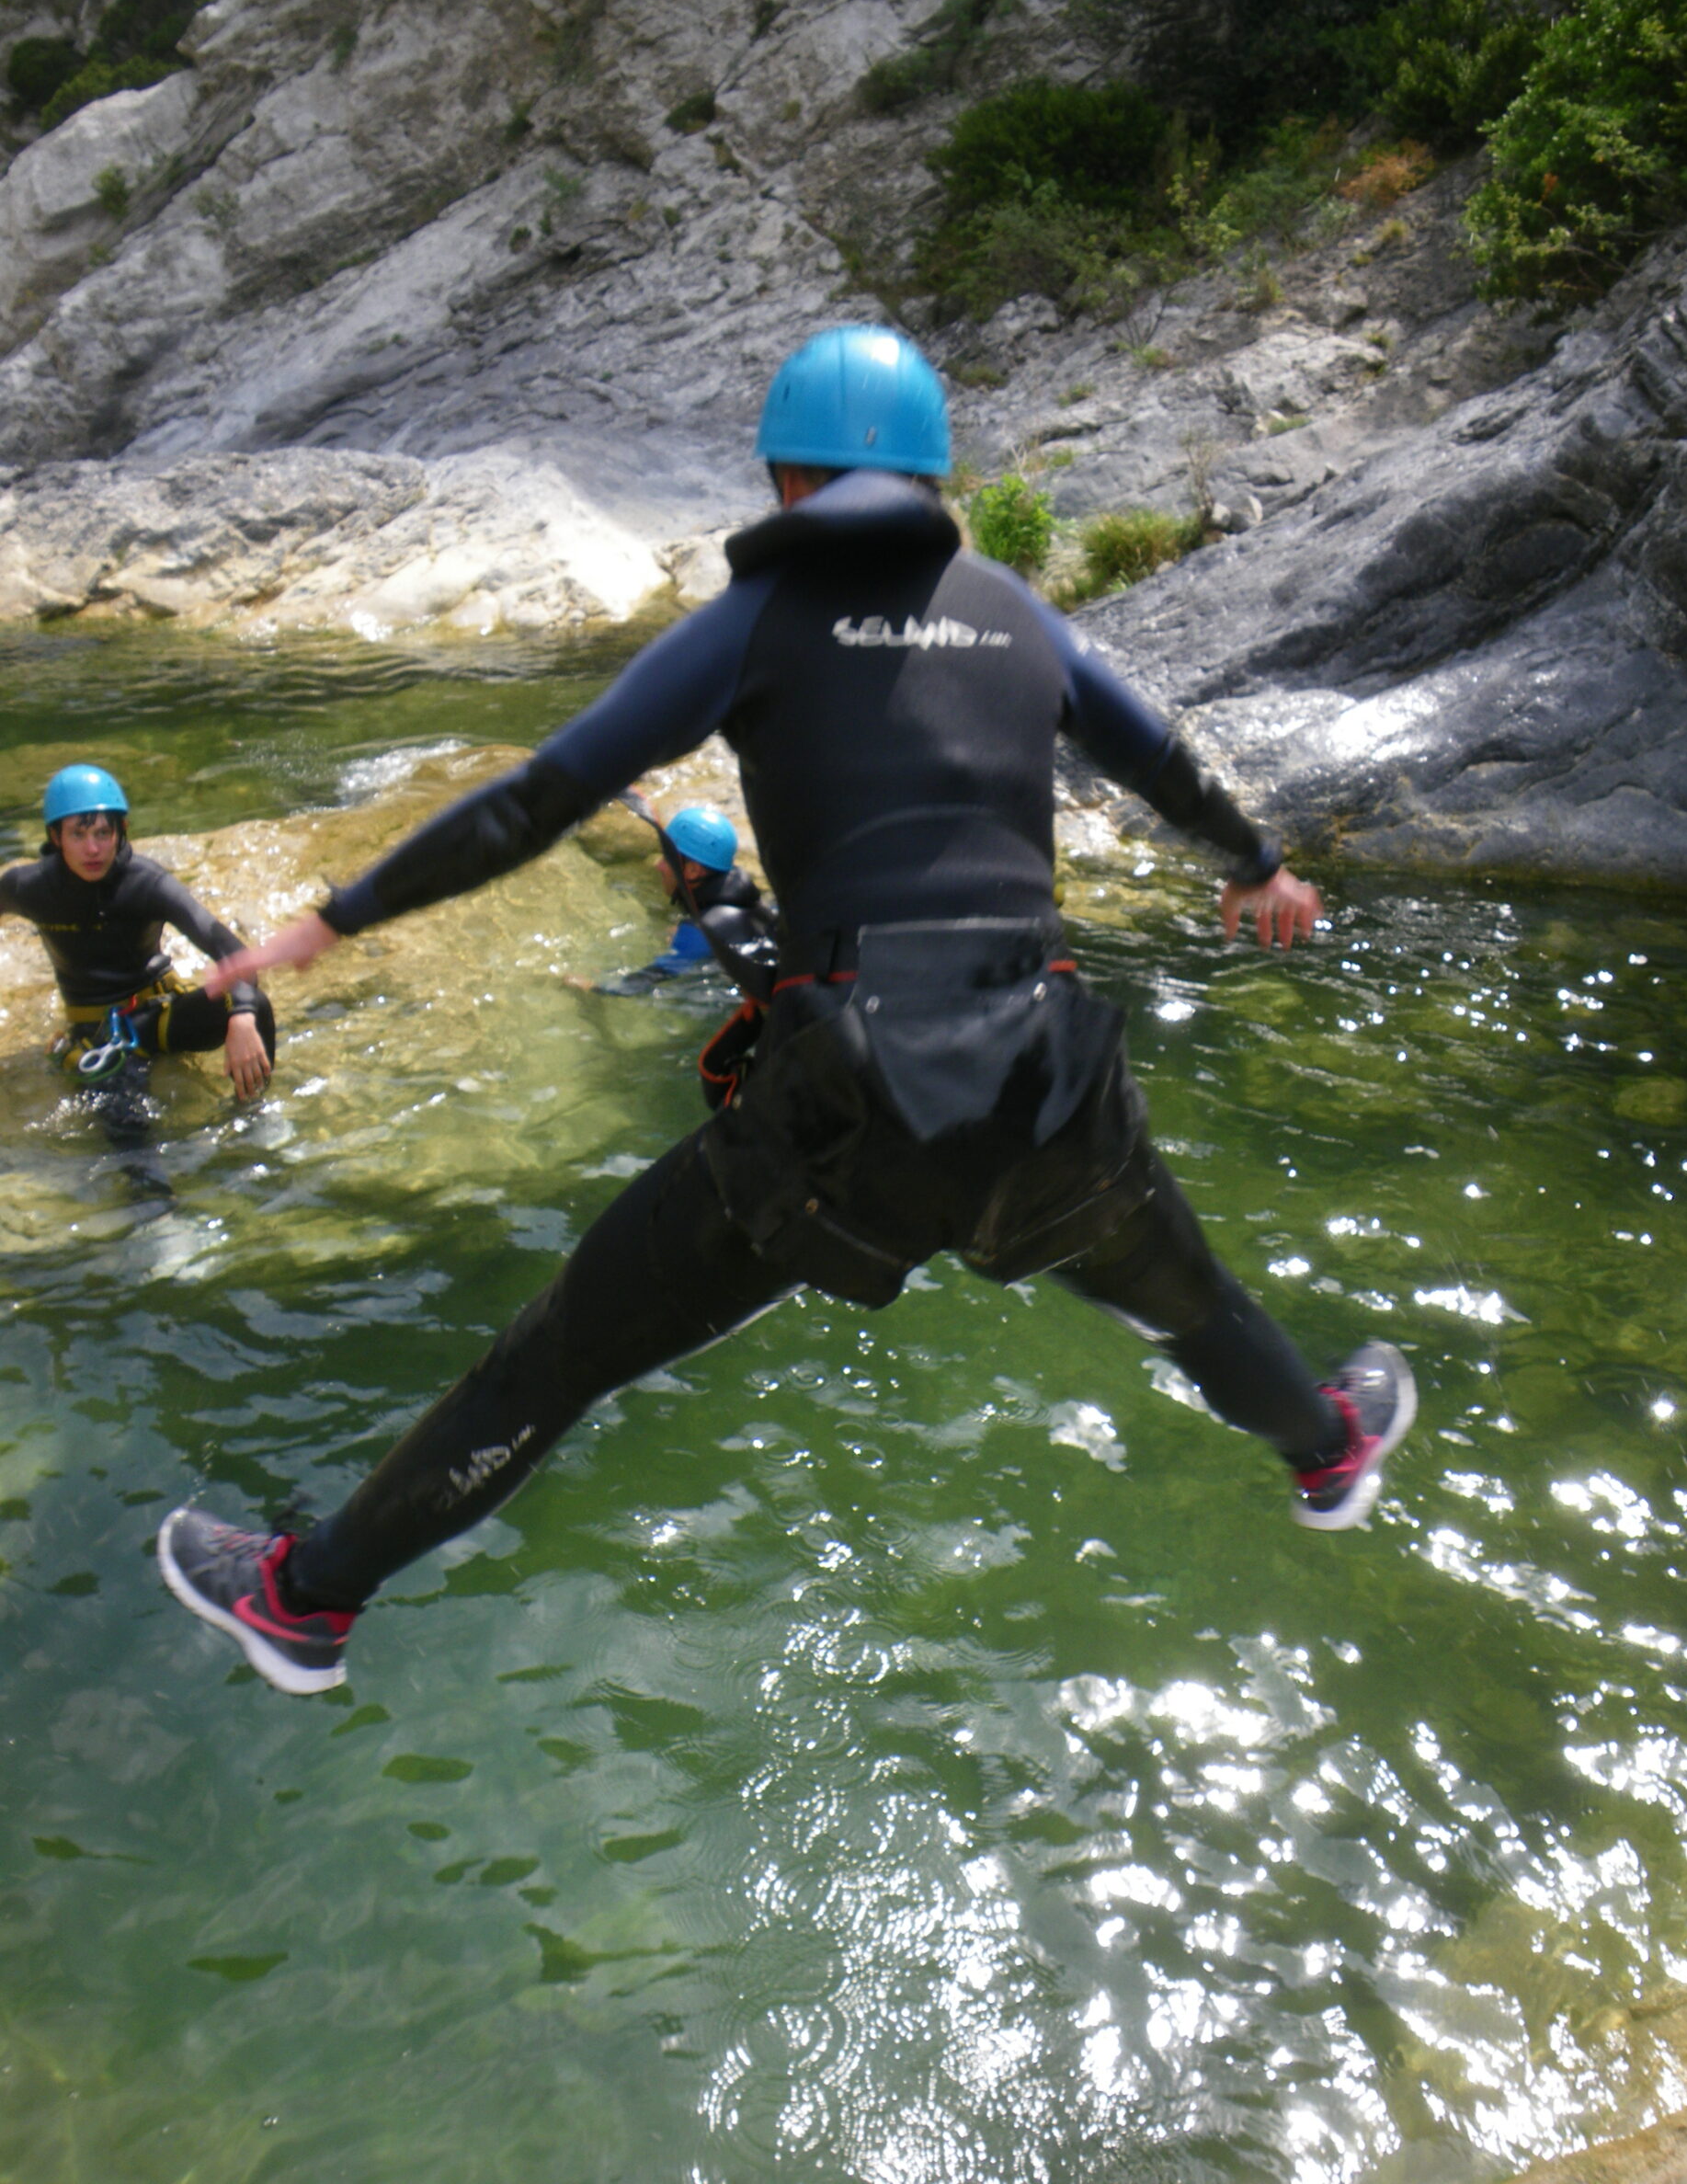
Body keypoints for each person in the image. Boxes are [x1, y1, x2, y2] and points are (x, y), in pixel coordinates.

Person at [157, 325, 1416, 1698]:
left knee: (562, 1353)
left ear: (788, 484)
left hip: (851, 1105)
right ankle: (1329, 1451)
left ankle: (307, 1600)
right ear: (934, 476)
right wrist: (1260, 869)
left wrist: (333, 918)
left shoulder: (757, 619)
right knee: (1193, 1303)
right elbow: (1165, 763)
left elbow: (541, 799)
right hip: (1049, 1075)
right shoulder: (1017, 612)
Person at [1, 765, 275, 1105]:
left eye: (103, 834)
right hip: (97, 1033)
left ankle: (254, 1117)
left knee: (254, 1006)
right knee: (132, 1143)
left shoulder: (146, 882)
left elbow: (233, 952)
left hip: (159, 1017)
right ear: (55, 838)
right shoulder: (28, 887)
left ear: (122, 831)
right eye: (78, 835)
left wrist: (243, 1017)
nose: (93, 849)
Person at [567, 799, 776, 996]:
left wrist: (594, 987)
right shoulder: (745, 900)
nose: (659, 865)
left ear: (693, 870)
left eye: (668, 858)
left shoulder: (702, 930)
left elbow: (649, 979)